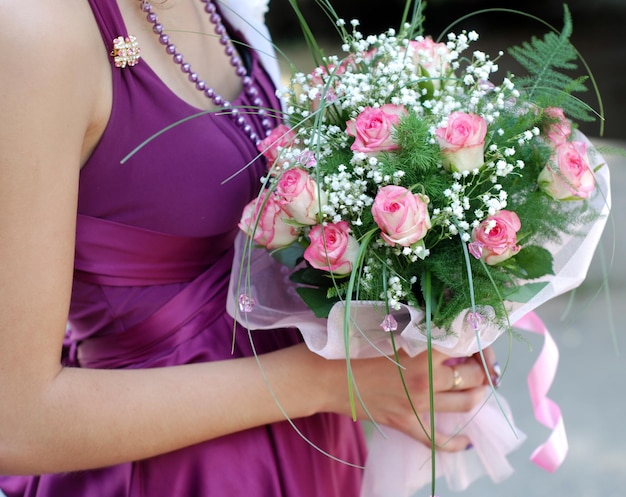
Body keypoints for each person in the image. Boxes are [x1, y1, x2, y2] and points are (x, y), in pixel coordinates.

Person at [0, 0, 498, 495]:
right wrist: (324, 383)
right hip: (170, 470)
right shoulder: (37, 31)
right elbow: (17, 421)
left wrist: (424, 298)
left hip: (308, 440)